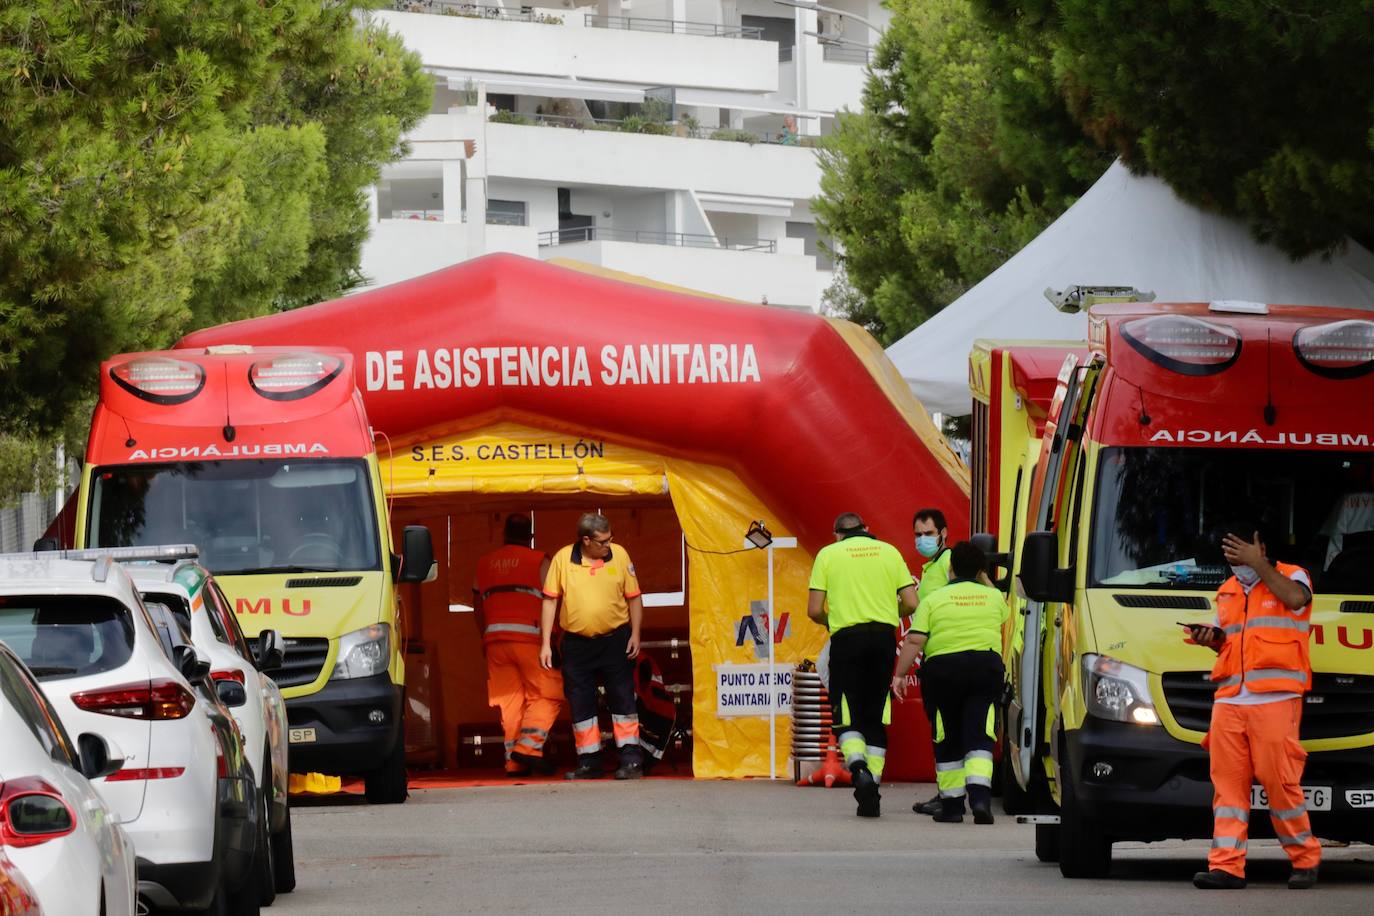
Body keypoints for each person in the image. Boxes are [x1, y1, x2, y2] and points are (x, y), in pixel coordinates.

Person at [1185, 522, 1321, 890]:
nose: (1233, 560)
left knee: (1280, 785)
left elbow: (1296, 601)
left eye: (1238, 550)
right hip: (1230, 701)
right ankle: (1226, 866)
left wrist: (1259, 565)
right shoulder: (1228, 591)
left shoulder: (1293, 576)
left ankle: (1305, 858)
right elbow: (1230, 641)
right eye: (1229, 554)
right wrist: (1210, 639)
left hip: (1276, 700)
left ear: (1260, 546)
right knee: (1227, 790)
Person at [807, 512, 918, 817]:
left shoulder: (828, 555)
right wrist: (886, 610)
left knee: (846, 712)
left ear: (837, 535)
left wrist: (834, 621)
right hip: (883, 639)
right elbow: (911, 603)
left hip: (847, 640)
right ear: (868, 530)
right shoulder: (890, 551)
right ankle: (874, 788)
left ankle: (858, 771)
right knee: (874, 716)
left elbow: (814, 609)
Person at [892, 541, 1008, 824]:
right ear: (981, 570)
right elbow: (1003, 613)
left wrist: (899, 674)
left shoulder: (934, 599)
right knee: (981, 733)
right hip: (985, 668)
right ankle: (980, 799)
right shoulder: (994, 598)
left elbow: (915, 639)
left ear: (951, 568)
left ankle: (953, 807)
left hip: (944, 672)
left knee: (947, 735)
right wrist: (982, 577)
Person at [540, 513, 646, 780]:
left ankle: (631, 759)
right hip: (576, 644)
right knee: (580, 701)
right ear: (585, 540)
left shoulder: (620, 555)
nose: (608, 545)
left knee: (622, 697)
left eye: (610, 539)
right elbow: (550, 601)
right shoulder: (563, 559)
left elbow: (634, 598)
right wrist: (545, 644)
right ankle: (589, 760)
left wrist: (635, 634)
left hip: (616, 640)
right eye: (602, 542)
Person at [473, 513, 563, 777]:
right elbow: (552, 600)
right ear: (531, 536)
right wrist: (554, 638)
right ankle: (528, 749)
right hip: (531, 640)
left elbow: (477, 606)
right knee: (548, 694)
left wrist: (484, 636)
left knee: (509, 702)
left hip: (495, 642)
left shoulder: (484, 563)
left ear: (504, 535)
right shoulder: (539, 561)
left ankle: (515, 763)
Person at [910, 507, 953, 816]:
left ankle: (949, 794)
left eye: (928, 533)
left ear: (943, 533)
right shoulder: (931, 566)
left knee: (945, 728)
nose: (922, 539)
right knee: (941, 728)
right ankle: (947, 790)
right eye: (918, 535)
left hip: (947, 656)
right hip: (935, 656)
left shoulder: (948, 562)